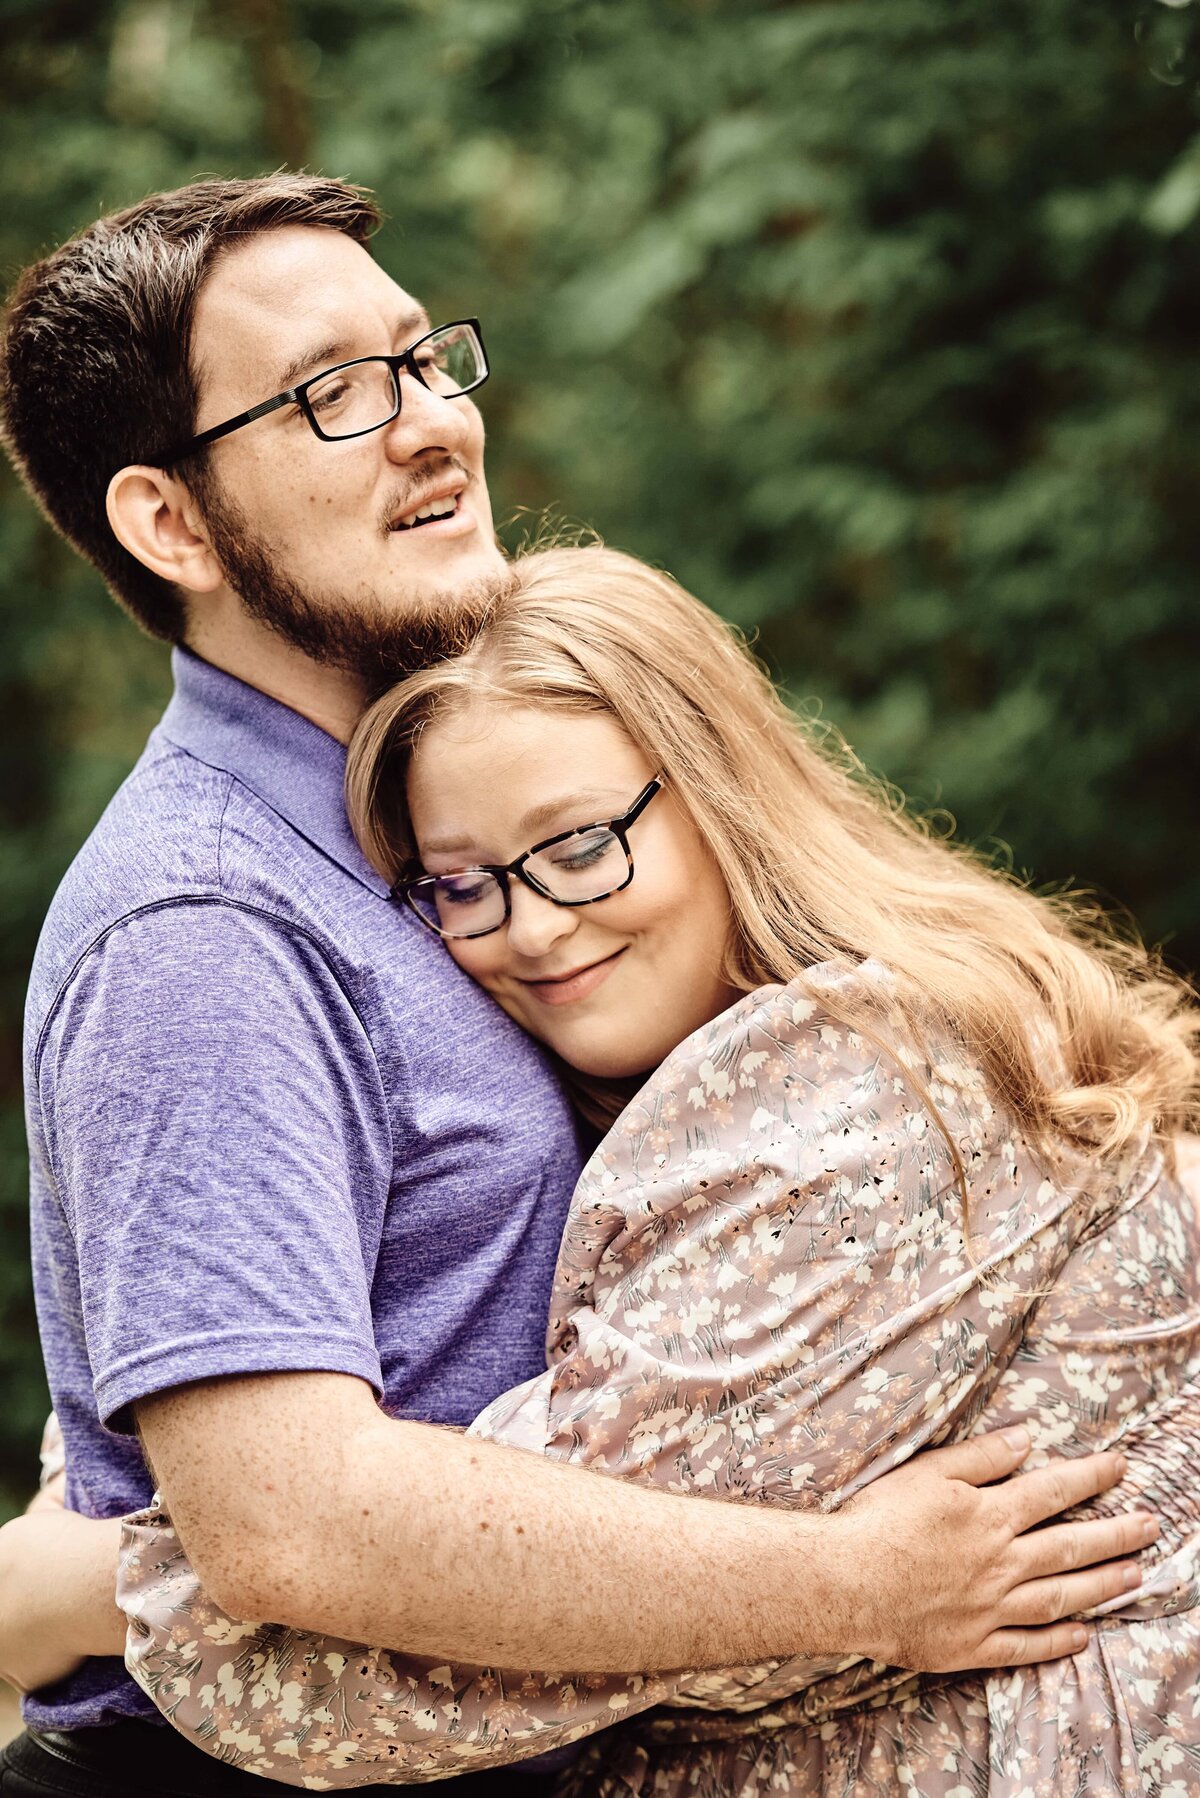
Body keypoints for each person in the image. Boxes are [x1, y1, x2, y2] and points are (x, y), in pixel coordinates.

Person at [0, 175, 1154, 1798]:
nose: (428, 426)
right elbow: (283, 1522)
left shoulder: (435, 815)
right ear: (169, 522)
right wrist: (866, 1583)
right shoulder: (206, 921)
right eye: (332, 393)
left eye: (424, 360)